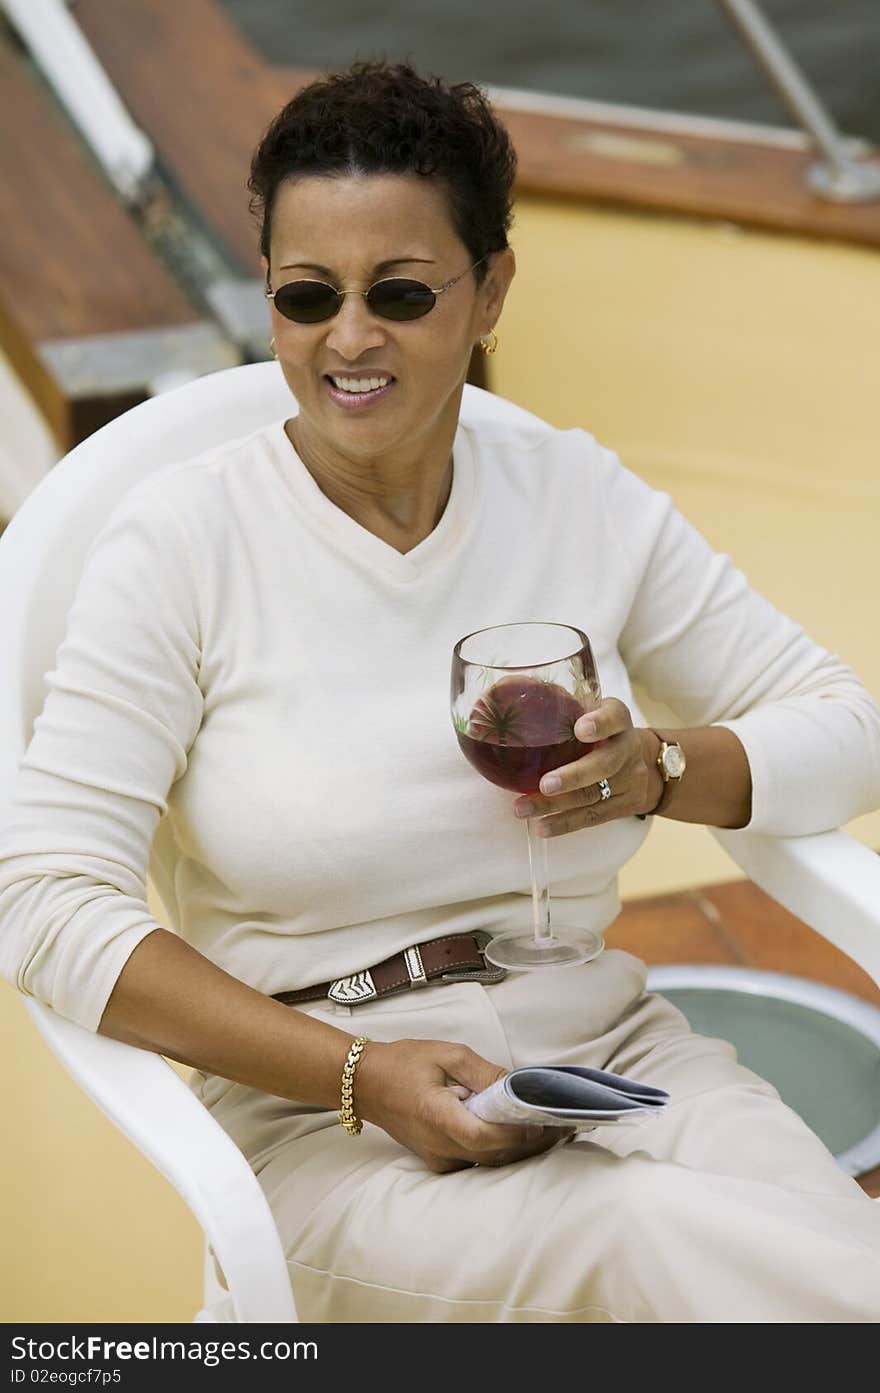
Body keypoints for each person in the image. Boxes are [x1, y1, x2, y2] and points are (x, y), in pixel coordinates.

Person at [2, 60, 880, 1324]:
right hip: (327, 1117)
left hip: (611, 1051)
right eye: (306, 297)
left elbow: (845, 726)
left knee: (809, 1259)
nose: (347, 338)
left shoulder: (573, 494)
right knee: (670, 1247)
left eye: (400, 292)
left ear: (492, 291)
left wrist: (665, 770)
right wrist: (358, 1073)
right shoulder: (182, 543)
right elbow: (42, 902)